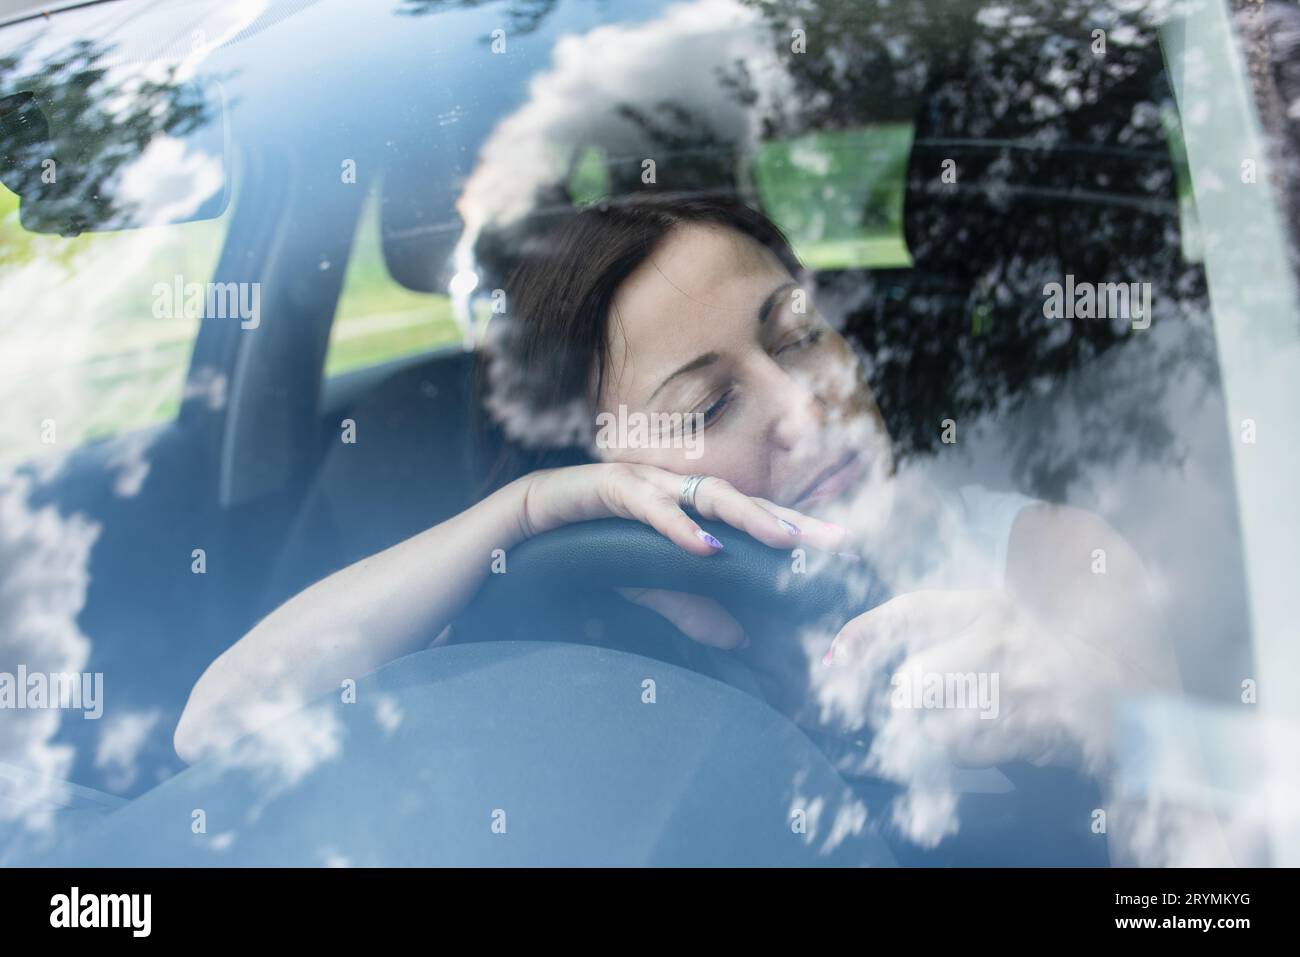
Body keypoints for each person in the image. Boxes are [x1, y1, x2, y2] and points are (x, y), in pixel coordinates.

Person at [174, 193, 1177, 770]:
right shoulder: (556, 625)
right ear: (603, 473)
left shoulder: (1043, 554)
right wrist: (525, 515)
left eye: (801, 335)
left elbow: (1210, 846)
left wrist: (1085, 699)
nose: (800, 408)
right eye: (705, 411)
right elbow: (217, 722)